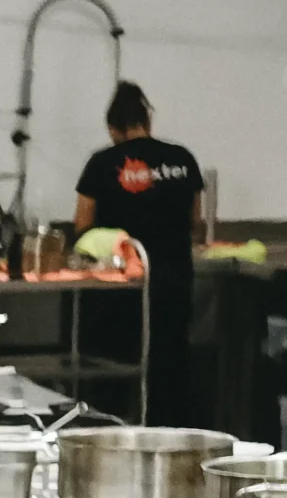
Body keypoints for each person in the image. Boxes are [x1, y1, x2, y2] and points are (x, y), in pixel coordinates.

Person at [73, 81, 203, 424]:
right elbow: (195, 220)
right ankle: (168, 443)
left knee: (112, 374)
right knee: (169, 371)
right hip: (174, 281)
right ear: (148, 121)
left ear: (113, 128)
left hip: (120, 287)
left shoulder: (102, 164)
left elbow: (81, 227)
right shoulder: (183, 160)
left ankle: (107, 436)